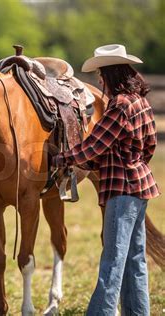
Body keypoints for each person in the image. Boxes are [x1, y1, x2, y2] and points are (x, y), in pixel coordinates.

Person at [52, 44, 160, 315]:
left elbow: (94, 146)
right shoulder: (141, 102)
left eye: (101, 74)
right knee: (136, 260)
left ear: (110, 75)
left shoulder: (120, 105)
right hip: (141, 187)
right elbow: (150, 145)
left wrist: (62, 158)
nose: (99, 79)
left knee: (113, 260)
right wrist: (132, 162)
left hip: (121, 190)